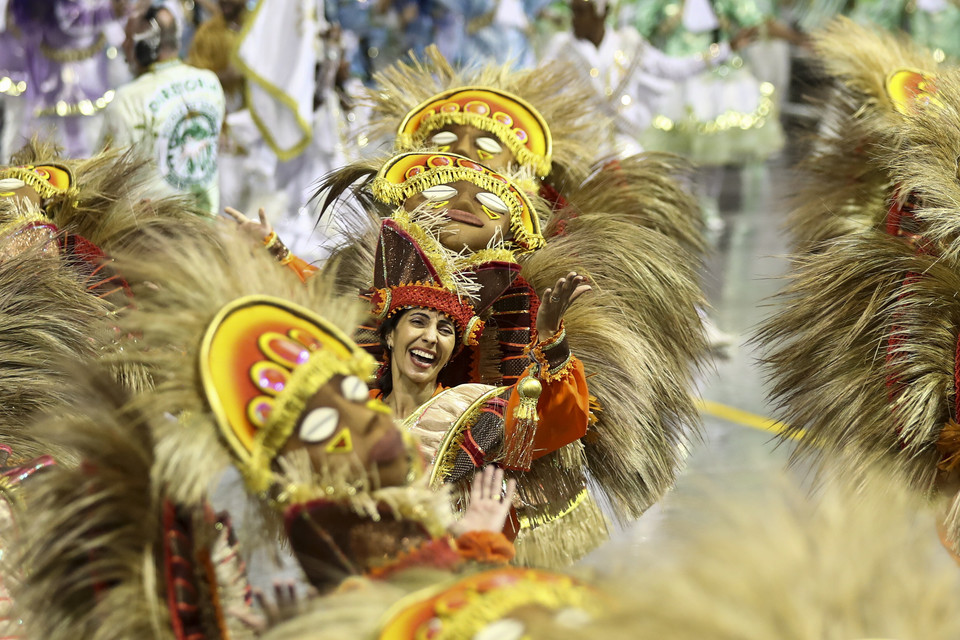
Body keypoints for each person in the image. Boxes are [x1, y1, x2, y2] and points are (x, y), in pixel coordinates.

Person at [100, 4, 225, 216]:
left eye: (128, 38)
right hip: (205, 231)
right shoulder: (210, 83)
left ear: (145, 47)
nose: (123, 44)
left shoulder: (128, 100)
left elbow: (107, 185)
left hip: (152, 237)